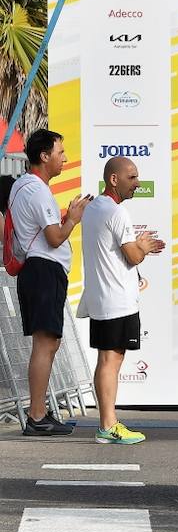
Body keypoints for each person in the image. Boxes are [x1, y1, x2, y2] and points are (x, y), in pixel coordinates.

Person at [9, 129, 90, 437]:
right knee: (45, 344)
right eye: (60, 152)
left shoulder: (22, 186)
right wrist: (73, 216)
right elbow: (54, 237)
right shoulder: (37, 189)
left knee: (48, 342)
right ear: (44, 156)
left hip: (37, 270)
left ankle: (40, 412)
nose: (64, 158)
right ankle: (37, 415)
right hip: (43, 270)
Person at [79, 156, 165, 444]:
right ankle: (107, 425)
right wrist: (142, 246)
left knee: (108, 360)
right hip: (116, 299)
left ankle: (108, 422)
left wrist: (137, 245)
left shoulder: (94, 209)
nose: (137, 184)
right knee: (111, 361)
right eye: (132, 178)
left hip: (104, 297)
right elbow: (133, 256)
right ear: (113, 179)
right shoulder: (116, 213)